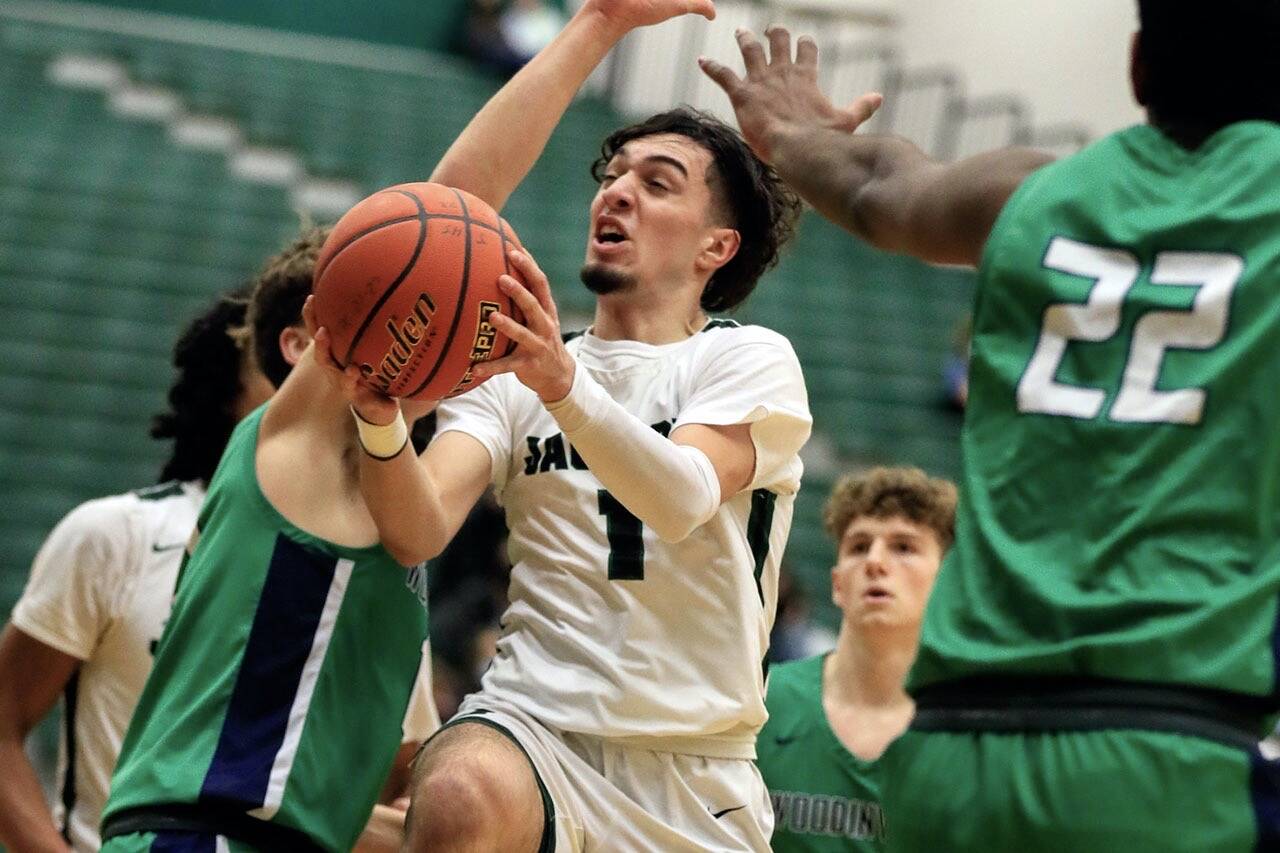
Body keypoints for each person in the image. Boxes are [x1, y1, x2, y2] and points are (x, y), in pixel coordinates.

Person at [703, 2, 1280, 849]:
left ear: (1138, 70)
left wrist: (789, 134)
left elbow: (877, 184)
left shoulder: (1031, 193)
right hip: (1171, 755)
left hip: (951, 754)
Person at [307, 0, 812, 848]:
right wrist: (381, 421)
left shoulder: (746, 358)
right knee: (461, 785)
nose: (616, 191)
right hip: (530, 727)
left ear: (716, 248)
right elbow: (419, 526)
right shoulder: (511, 371)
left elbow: (684, 494)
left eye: (656, 183)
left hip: (694, 767)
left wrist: (563, 384)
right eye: (611, 176)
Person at [95, 233, 435, 853]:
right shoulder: (261, 468)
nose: (413, 333)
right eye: (396, 315)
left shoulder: (393, 555)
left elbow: (344, 808)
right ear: (307, 344)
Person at [0, 288, 272, 853]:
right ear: (228, 387)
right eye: (279, 354)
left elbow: (397, 788)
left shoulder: (379, 574)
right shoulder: (114, 536)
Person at [757, 467, 955, 852]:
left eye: (903, 547)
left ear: (947, 581)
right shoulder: (762, 701)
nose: (875, 562)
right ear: (836, 585)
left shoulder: (967, 729)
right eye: (859, 546)